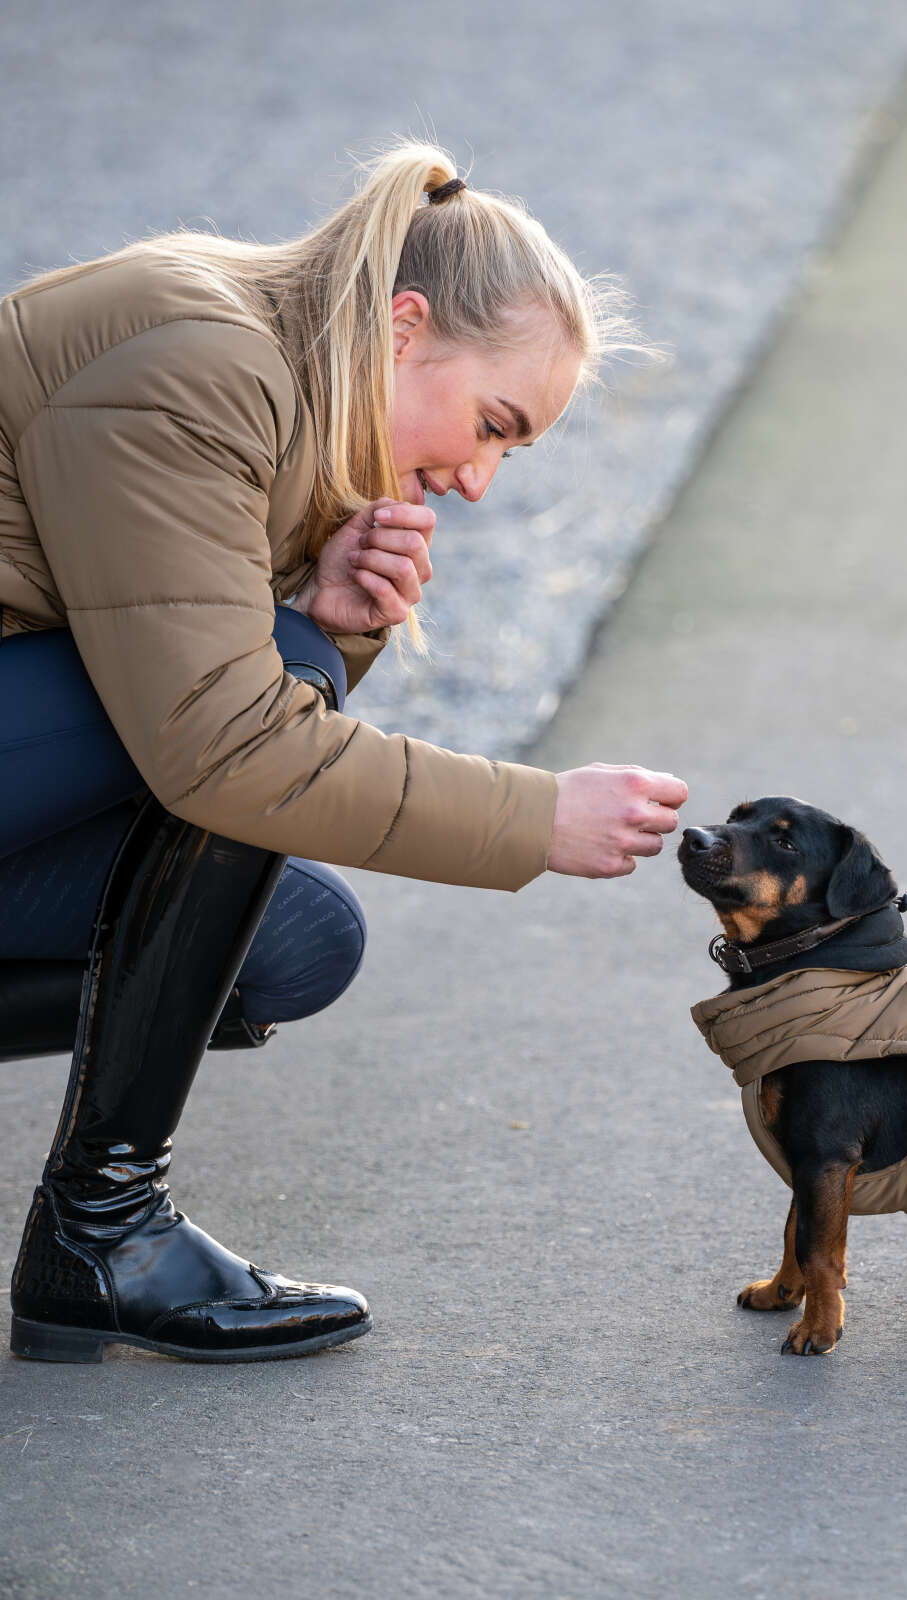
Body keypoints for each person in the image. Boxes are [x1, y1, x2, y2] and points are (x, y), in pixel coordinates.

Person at [0, 142, 687, 1364]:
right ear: (405, 326)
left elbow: (188, 679)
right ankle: (103, 1230)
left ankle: (96, 1240)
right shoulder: (194, 363)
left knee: (292, 942)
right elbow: (223, 746)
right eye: (490, 425)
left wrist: (320, 630)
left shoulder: (280, 385)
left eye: (507, 455)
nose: (475, 482)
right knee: (257, 711)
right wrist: (536, 816)